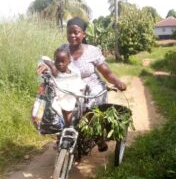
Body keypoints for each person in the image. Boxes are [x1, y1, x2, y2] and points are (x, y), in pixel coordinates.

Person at [38, 16, 126, 151]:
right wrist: (47, 66)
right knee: (57, 104)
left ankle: (98, 137)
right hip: (69, 84)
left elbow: (106, 72)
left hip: (91, 84)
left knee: (92, 109)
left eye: (76, 32)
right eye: (69, 32)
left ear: (83, 34)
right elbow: (56, 65)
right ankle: (62, 134)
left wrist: (118, 82)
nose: (72, 35)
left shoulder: (92, 51)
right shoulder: (62, 48)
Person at [43, 47, 86, 127]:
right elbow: (43, 58)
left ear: (69, 62)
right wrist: (52, 65)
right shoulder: (53, 70)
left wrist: (79, 90)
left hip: (68, 97)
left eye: (63, 61)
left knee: (68, 112)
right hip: (55, 97)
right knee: (57, 113)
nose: (60, 64)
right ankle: (61, 128)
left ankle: (68, 127)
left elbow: (78, 83)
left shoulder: (73, 72)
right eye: (57, 61)